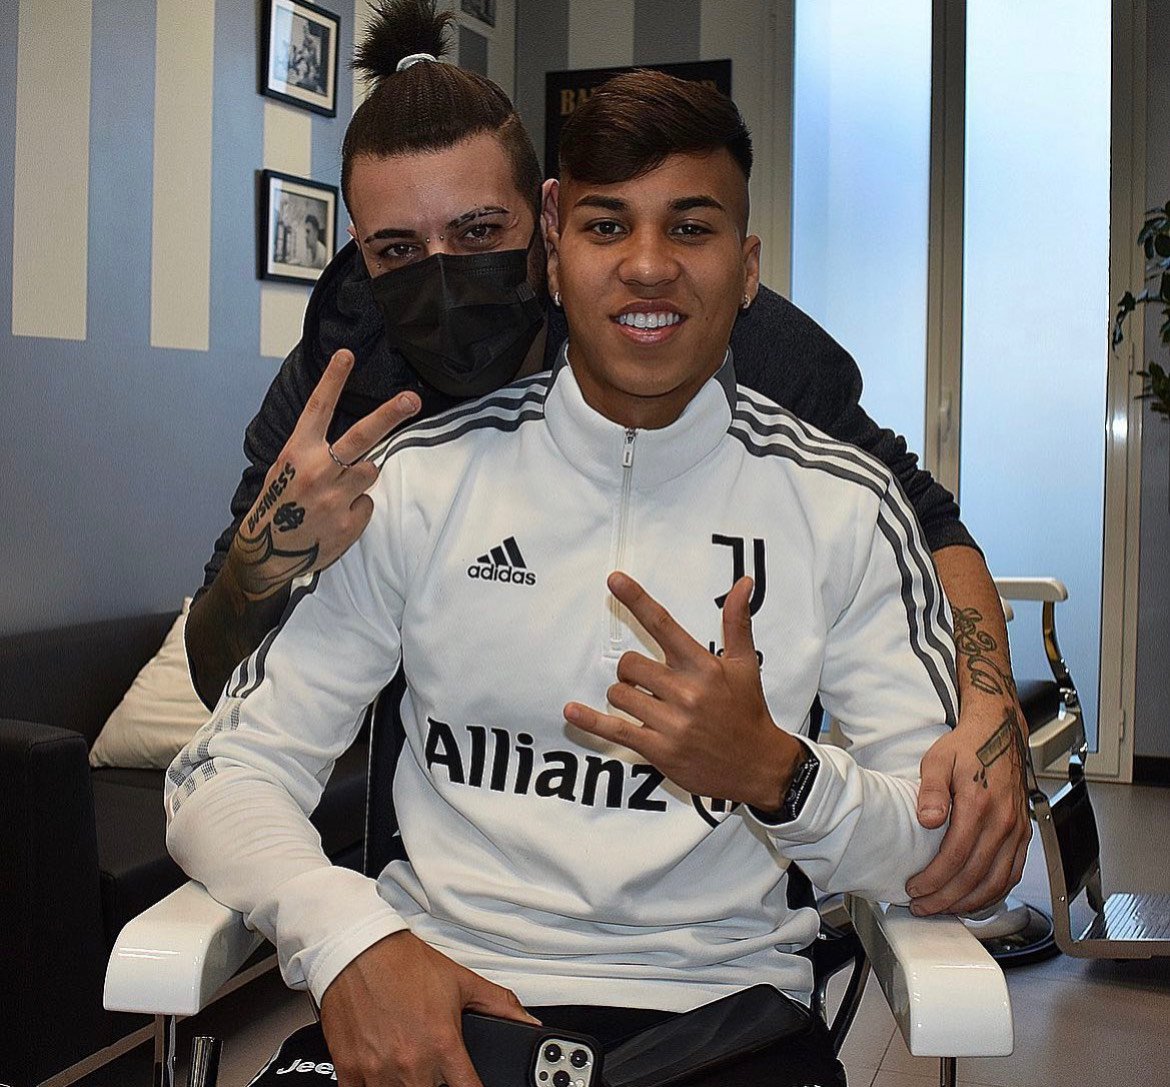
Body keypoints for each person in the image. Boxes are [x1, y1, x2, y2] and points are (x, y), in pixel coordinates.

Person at [168, 66, 979, 1087]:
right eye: (398, 250)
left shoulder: (834, 493)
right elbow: (221, 757)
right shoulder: (391, 467)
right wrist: (347, 936)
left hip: (718, 1015)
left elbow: (932, 829)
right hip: (439, 985)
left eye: (476, 232)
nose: (648, 266)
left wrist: (780, 772)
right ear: (560, 253)